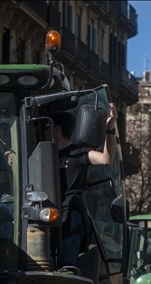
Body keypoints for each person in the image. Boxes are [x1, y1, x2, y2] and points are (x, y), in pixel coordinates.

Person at [51, 103, 117, 267]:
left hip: (70, 215)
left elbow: (105, 159)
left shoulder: (77, 152)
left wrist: (110, 128)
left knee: (65, 268)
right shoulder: (42, 155)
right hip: (47, 216)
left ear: (57, 129)